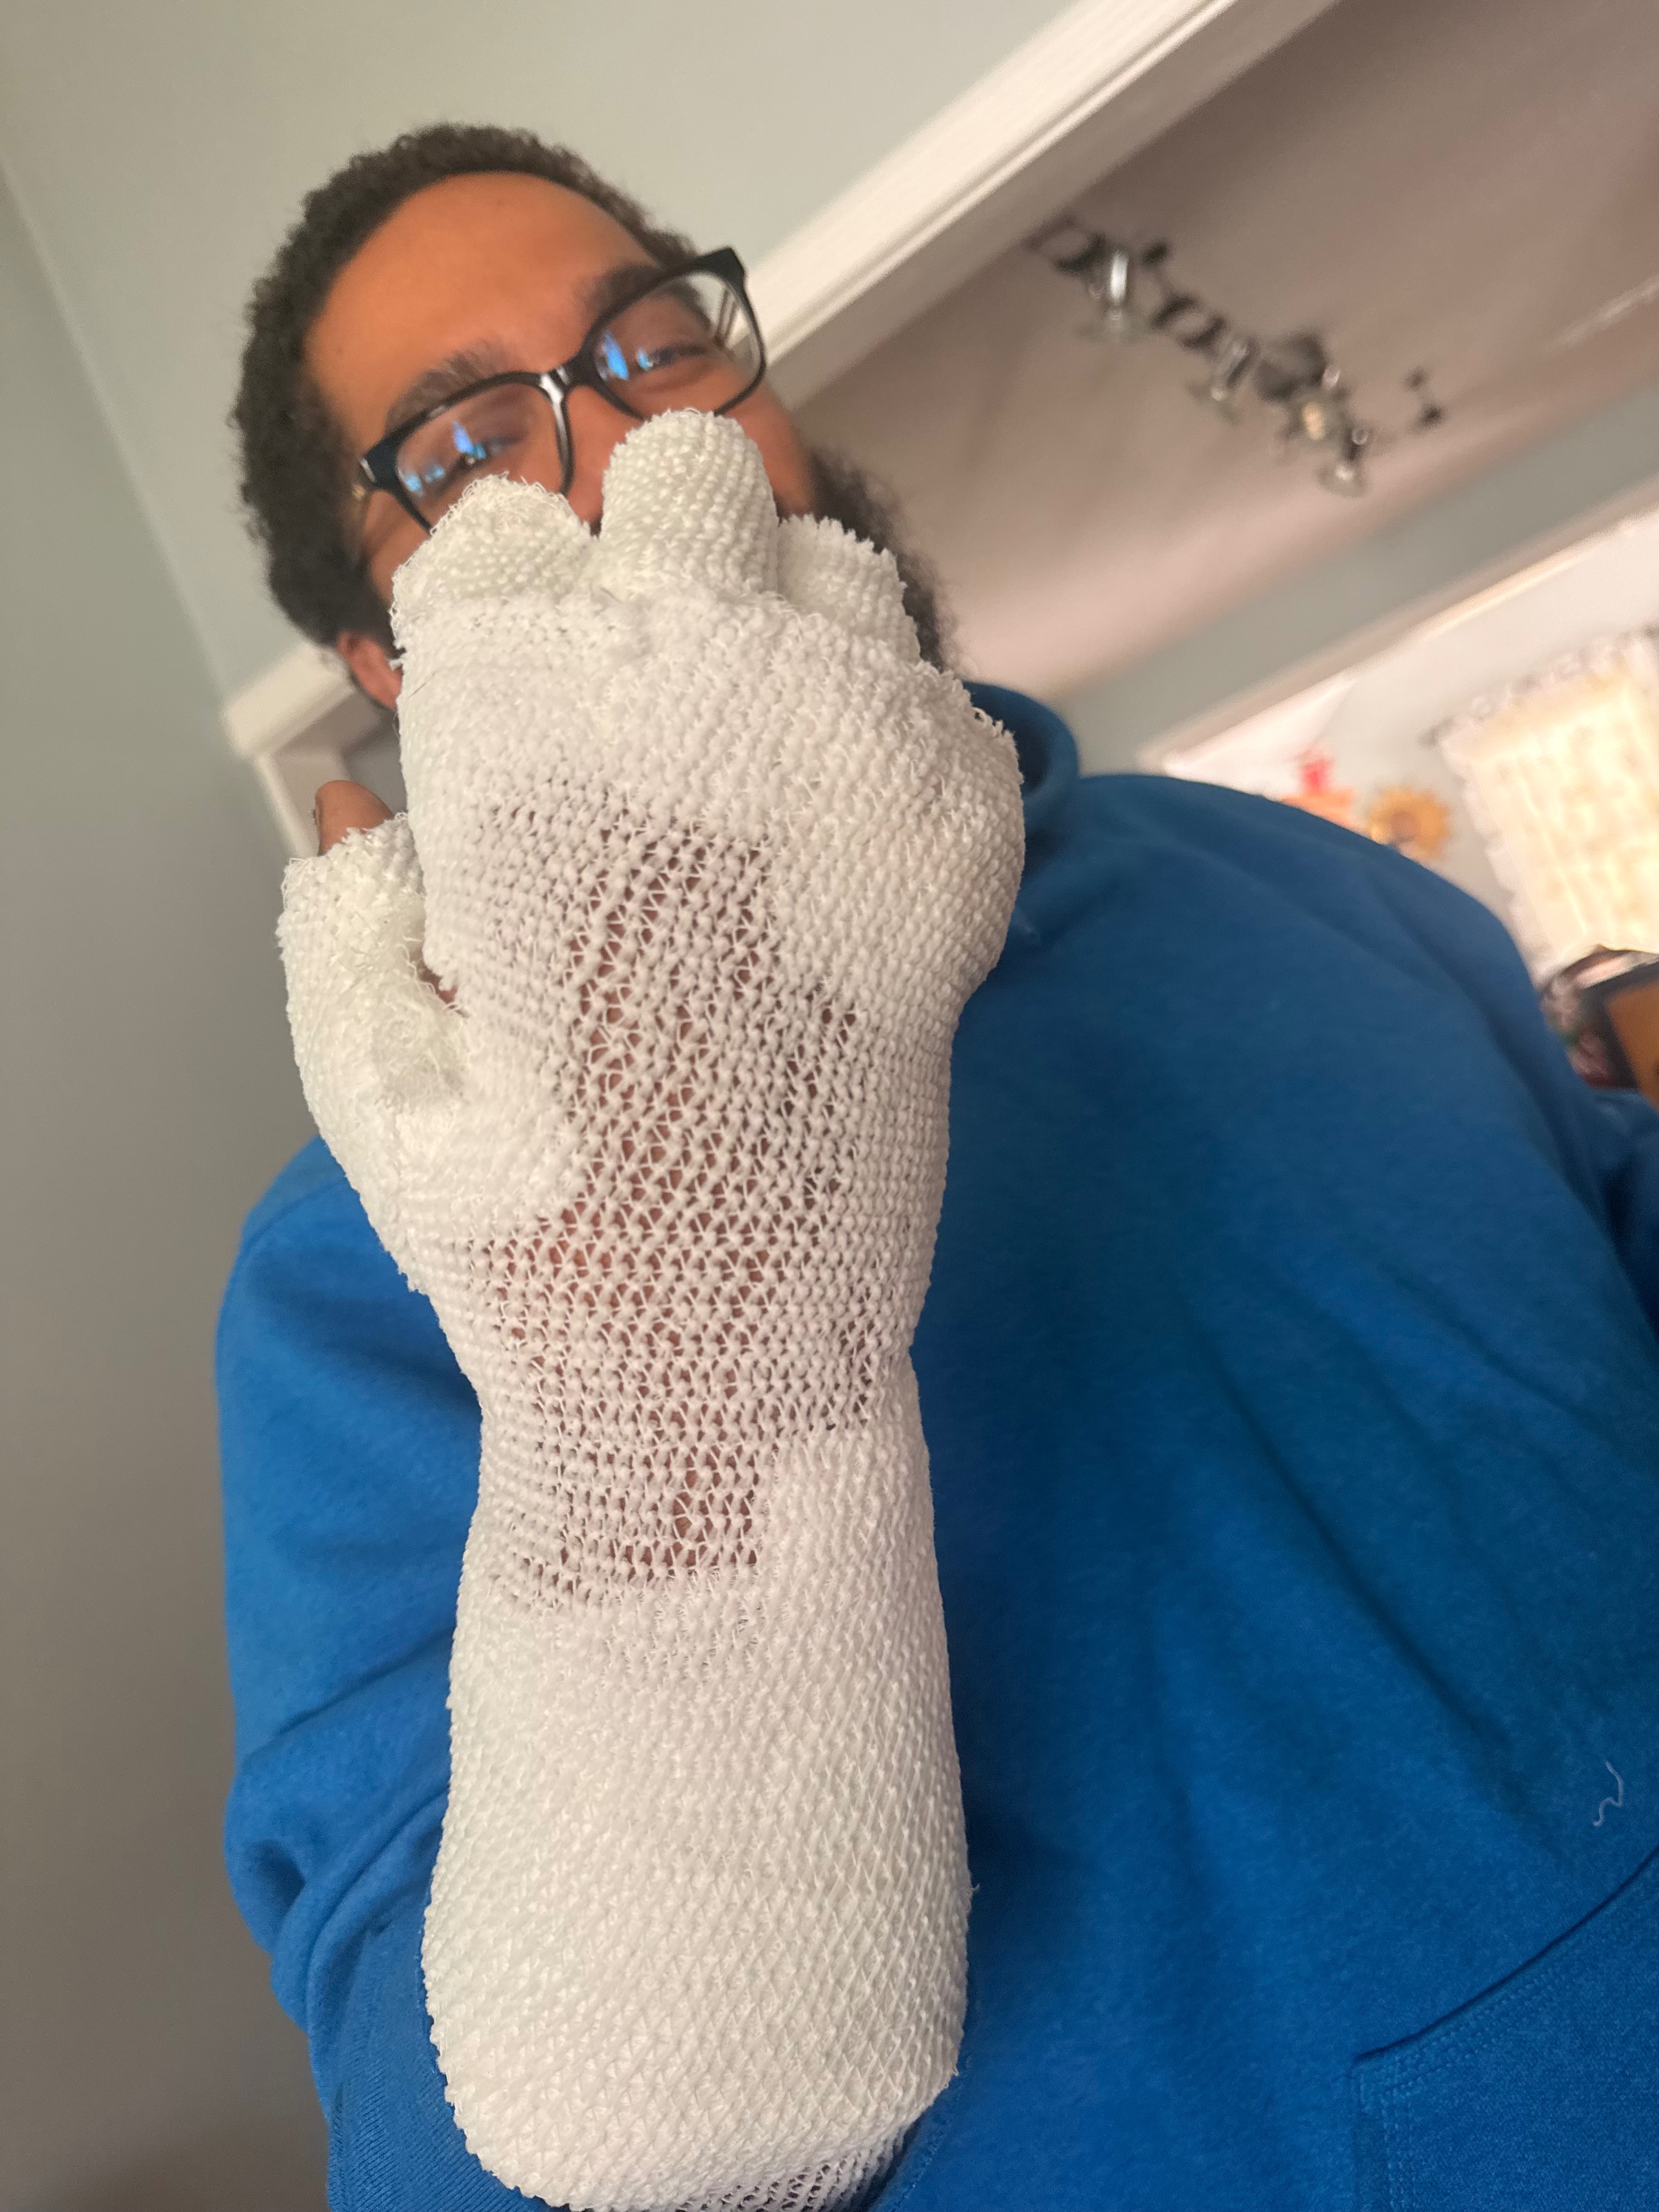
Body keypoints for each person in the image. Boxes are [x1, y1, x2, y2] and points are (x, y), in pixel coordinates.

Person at [219, 124, 1659, 2212]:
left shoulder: (1282, 870)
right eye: (465, 448)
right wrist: (684, 1364)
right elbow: (484, 2161)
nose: (626, 446)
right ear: (383, 656)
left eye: (650, 342)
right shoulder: (372, 1257)